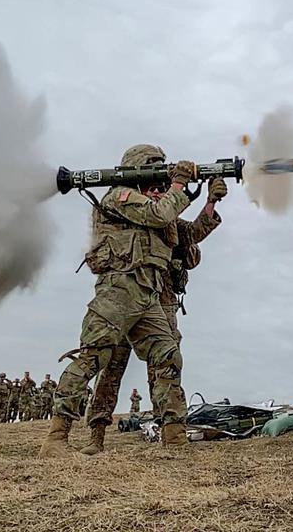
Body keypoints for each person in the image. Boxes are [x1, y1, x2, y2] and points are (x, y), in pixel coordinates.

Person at [39, 145, 195, 457]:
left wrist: (201, 199)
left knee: (167, 356)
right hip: (119, 290)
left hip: (148, 292)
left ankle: (174, 437)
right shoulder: (120, 196)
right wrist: (178, 184)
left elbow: (176, 226)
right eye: (154, 166)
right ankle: (56, 439)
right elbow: (159, 213)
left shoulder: (149, 202)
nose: (160, 172)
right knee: (93, 358)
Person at [81, 173, 225, 454]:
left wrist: (210, 202)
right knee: (111, 365)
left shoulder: (167, 219)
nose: (158, 192)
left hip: (163, 298)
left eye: (162, 188)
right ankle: (95, 436)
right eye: (153, 188)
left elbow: (192, 233)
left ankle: (170, 433)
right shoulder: (134, 212)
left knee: (166, 365)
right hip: (127, 296)